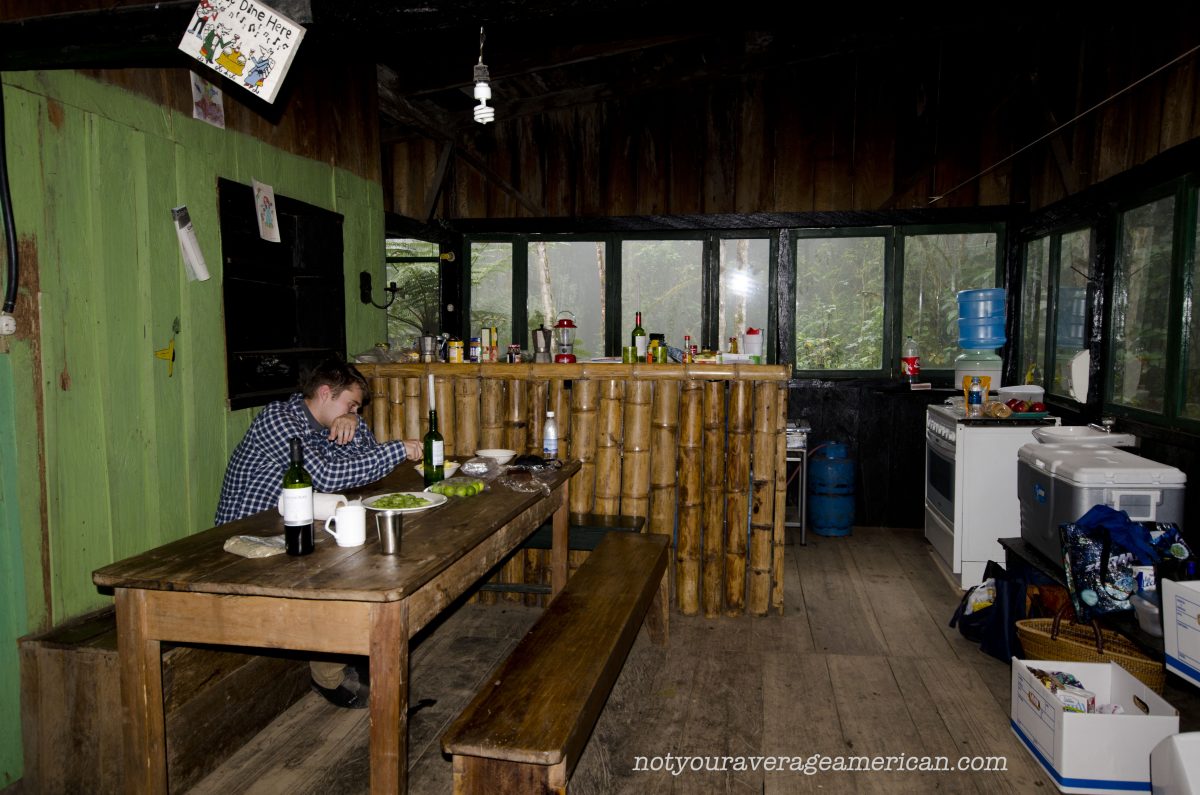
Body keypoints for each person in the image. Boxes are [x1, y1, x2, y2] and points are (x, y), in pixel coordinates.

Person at [215, 358, 421, 708]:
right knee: (352, 560)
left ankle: (355, 654)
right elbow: (324, 477)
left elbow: (364, 466)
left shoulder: (331, 423)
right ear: (325, 392)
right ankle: (330, 673)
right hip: (246, 541)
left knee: (362, 551)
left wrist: (353, 421)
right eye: (351, 404)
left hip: (294, 530)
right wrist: (398, 448)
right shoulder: (278, 419)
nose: (355, 411)